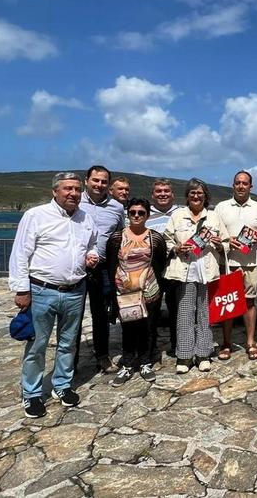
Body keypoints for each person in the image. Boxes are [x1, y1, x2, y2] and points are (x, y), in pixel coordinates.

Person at [8, 172, 98, 418]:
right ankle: (32, 394)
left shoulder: (85, 218)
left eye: (77, 189)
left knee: (68, 343)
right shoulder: (35, 216)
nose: (74, 193)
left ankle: (62, 385)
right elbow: (20, 254)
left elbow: (92, 245)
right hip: (41, 290)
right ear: (55, 191)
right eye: (68, 188)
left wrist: (93, 255)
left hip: (75, 290)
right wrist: (21, 289)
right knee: (37, 344)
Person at [163, 179, 229, 374]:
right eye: (192, 192)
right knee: (184, 315)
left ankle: (203, 354)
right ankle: (184, 356)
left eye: (199, 193)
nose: (196, 196)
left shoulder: (214, 217)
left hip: (207, 273)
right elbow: (166, 240)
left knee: (204, 315)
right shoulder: (177, 215)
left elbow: (226, 243)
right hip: (184, 272)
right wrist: (175, 247)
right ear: (187, 196)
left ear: (205, 196)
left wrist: (218, 244)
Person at [106, 198, 167, 386]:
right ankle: (127, 363)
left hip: (149, 289)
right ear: (128, 214)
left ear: (148, 215)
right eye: (133, 212)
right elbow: (111, 264)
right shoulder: (117, 238)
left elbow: (160, 261)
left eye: (141, 213)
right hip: (125, 292)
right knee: (129, 328)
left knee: (148, 327)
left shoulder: (155, 238)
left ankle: (145, 362)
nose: (136, 216)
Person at [214, 171, 257, 361]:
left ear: (251, 186)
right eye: (237, 183)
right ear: (233, 185)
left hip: (252, 262)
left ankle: (250, 342)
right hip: (228, 262)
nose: (241, 186)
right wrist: (229, 240)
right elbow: (214, 233)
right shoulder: (221, 207)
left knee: (249, 302)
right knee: (227, 304)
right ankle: (227, 343)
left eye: (245, 183)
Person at [77, 165, 125, 373]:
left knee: (102, 315)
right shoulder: (74, 202)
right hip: (76, 268)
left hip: (103, 268)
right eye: (95, 180)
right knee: (73, 316)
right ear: (86, 180)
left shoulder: (117, 207)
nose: (99, 185)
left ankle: (102, 356)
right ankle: (71, 360)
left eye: (104, 181)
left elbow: (119, 236)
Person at [146, 179, 181, 361]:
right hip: (152, 270)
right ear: (153, 194)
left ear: (172, 194)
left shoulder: (180, 213)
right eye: (158, 191)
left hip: (175, 268)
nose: (163, 194)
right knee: (151, 311)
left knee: (177, 310)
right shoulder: (144, 214)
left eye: (166, 191)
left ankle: (178, 346)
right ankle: (150, 350)